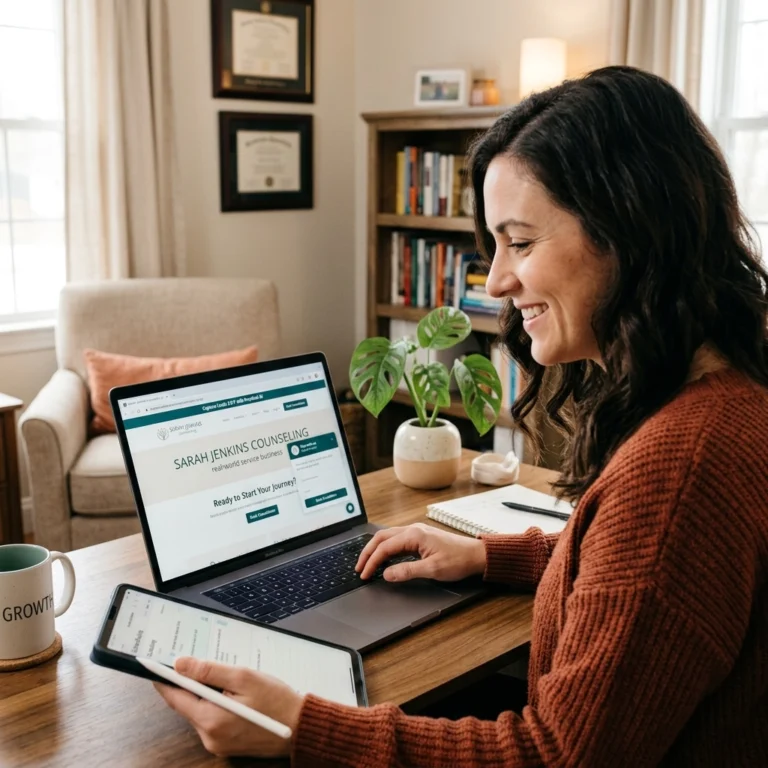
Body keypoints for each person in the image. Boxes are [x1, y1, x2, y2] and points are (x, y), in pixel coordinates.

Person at [153, 66, 768, 766]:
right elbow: (644, 584)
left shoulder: (680, 467)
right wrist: (490, 555)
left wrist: (302, 728)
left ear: (632, 229)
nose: (498, 280)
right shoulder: (732, 391)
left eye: (522, 241)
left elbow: (554, 756)